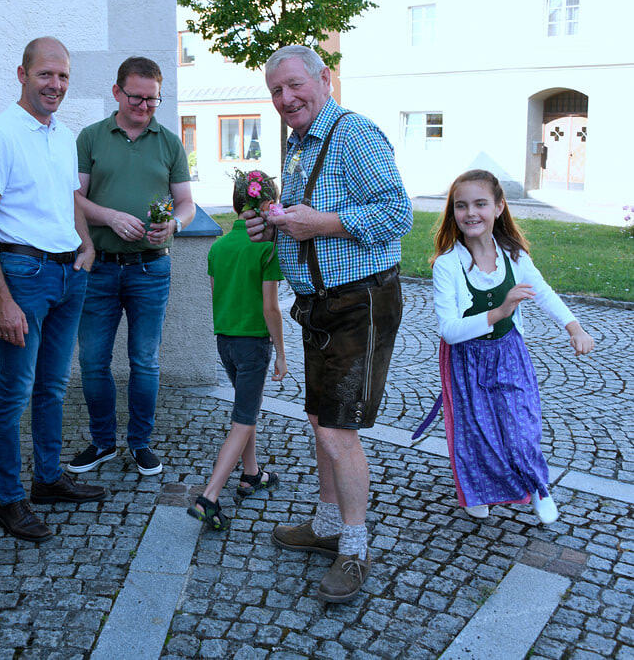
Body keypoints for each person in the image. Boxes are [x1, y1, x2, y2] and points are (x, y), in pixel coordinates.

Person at [245, 45, 412, 603]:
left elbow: (397, 214)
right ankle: (325, 523)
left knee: (339, 429)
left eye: (295, 85)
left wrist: (323, 224)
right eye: (276, 91)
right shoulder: (298, 143)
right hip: (319, 304)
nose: (285, 98)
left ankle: (355, 547)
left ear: (325, 79)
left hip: (360, 303)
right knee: (320, 419)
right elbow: (306, 221)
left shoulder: (354, 133)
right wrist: (275, 225)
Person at [0, 37, 105, 543]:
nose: (56, 85)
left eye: (63, 76)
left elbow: (68, 199)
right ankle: (9, 498)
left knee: (52, 387)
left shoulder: (63, 136)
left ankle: (47, 478)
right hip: (23, 276)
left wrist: (86, 244)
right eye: (46, 74)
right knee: (15, 391)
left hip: (69, 275)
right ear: (22, 74)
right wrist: (1, 299)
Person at [431, 169, 594, 523]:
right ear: (453, 212)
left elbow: (543, 293)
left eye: (480, 204)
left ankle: (538, 488)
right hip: (466, 360)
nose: (470, 213)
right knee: (478, 434)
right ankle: (478, 490)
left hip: (508, 353)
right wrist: (500, 311)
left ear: (499, 207)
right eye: (461, 205)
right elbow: (450, 331)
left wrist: (574, 327)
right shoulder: (447, 265)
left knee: (522, 429)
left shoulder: (513, 256)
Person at [69, 57, 196, 476]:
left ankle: (140, 443)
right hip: (99, 266)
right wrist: (110, 217)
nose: (144, 106)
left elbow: (186, 203)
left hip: (150, 269)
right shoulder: (91, 137)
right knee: (93, 361)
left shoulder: (169, 142)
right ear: (117, 92)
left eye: (152, 99)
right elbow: (74, 198)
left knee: (144, 361)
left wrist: (174, 225)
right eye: (136, 97)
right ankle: (102, 442)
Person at [187, 170, 287, 529]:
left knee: (247, 409)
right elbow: (271, 308)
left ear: (236, 204)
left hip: (225, 342)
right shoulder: (266, 247)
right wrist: (281, 352)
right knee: (243, 420)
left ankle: (251, 474)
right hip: (253, 344)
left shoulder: (218, 246)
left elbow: (218, 295)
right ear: (269, 205)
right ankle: (209, 498)